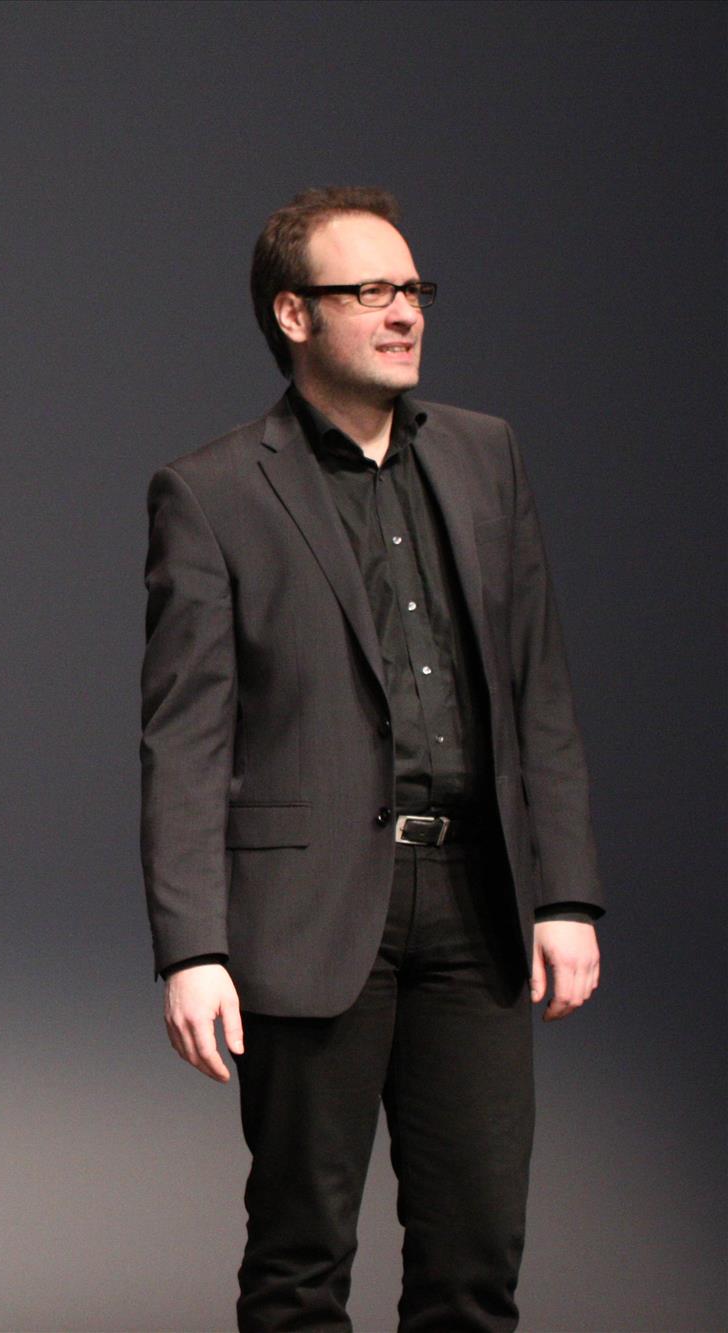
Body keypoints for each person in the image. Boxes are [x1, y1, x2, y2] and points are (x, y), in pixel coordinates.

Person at [140, 186, 604, 1330]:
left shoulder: (484, 457)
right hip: (307, 909)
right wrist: (191, 946)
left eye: (411, 288)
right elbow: (184, 736)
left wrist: (563, 893)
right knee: (299, 1261)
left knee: (473, 1260)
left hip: (473, 898)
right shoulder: (211, 490)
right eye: (370, 291)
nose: (403, 313)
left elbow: (536, 687)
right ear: (293, 314)